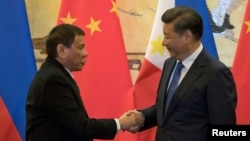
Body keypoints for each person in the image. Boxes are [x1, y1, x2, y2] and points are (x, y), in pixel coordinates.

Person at [127, 6, 237, 141]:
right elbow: (165, 109)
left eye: (167, 37)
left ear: (187, 36)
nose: (163, 42)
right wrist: (141, 117)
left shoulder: (216, 73)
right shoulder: (169, 64)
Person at [25, 24, 142, 141]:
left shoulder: (55, 73)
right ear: (61, 51)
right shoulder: (53, 80)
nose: (86, 53)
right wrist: (120, 123)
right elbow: (80, 126)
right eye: (80, 47)